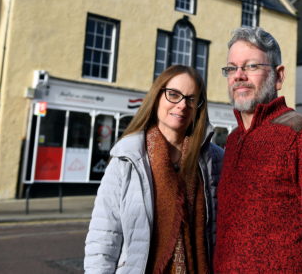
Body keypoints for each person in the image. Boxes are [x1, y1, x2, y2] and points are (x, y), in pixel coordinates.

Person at [213, 27, 302, 273]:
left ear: (278, 77)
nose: (239, 76)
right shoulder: (234, 140)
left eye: (251, 66)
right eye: (232, 68)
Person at [84, 65, 223, 273]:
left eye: (191, 99)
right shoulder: (127, 157)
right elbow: (104, 237)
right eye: (173, 95)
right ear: (157, 97)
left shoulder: (214, 159)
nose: (182, 105)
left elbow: (218, 234)